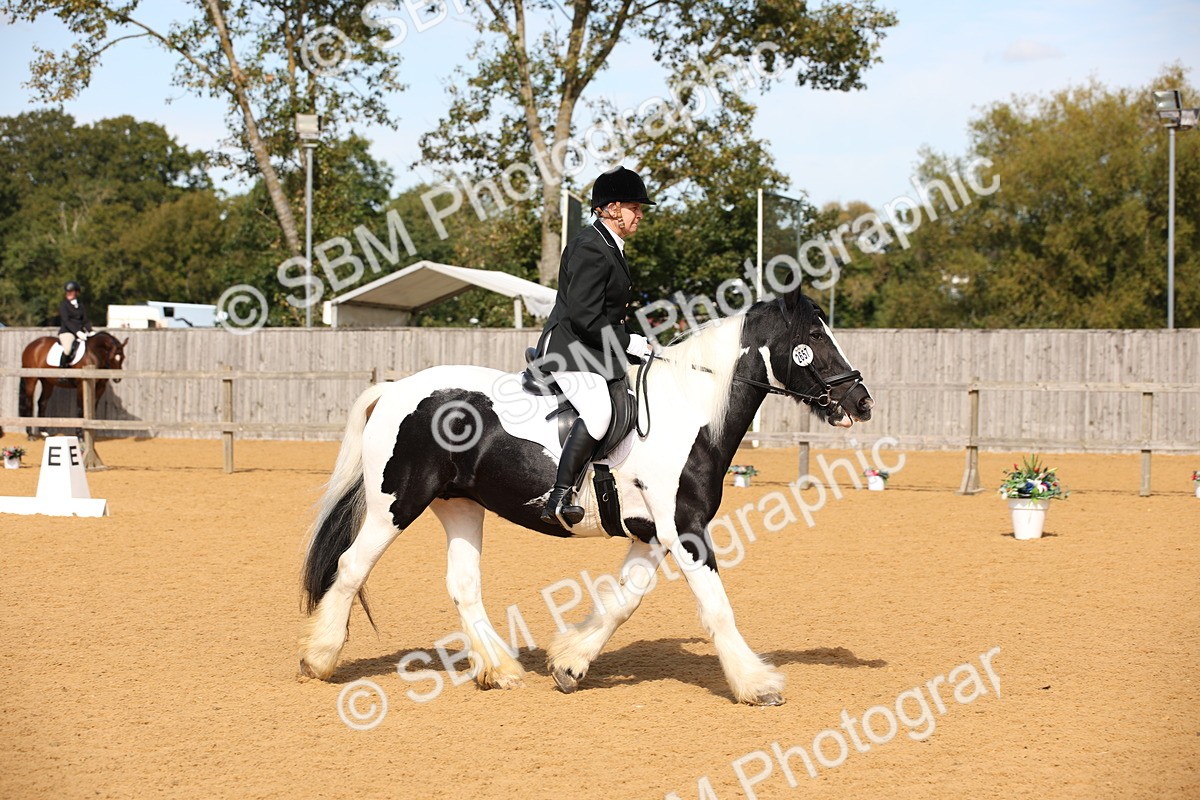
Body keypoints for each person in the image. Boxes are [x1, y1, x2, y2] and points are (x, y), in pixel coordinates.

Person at [536, 166, 656, 527]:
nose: (640, 215)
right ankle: (560, 496)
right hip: (569, 349)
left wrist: (637, 340)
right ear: (614, 208)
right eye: (636, 208)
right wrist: (628, 342)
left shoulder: (609, 247)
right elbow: (585, 317)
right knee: (599, 411)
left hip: (593, 349)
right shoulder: (591, 246)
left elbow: (609, 313)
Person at [57, 280, 93, 368]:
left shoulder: (81, 305)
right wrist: (77, 332)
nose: (68, 293)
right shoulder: (63, 305)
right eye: (67, 291)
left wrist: (91, 331)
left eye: (71, 291)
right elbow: (66, 321)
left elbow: (85, 320)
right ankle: (62, 371)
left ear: (77, 292)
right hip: (67, 332)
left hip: (80, 333)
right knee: (68, 349)